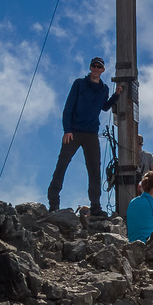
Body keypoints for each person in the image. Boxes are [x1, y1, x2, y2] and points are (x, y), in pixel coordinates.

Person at [47, 56, 123, 216]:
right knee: (62, 165)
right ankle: (53, 203)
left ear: (103, 70)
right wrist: (67, 129)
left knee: (94, 169)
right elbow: (68, 107)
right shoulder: (79, 84)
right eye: (94, 66)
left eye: (99, 67)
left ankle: (95, 207)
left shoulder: (104, 89)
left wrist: (116, 96)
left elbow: (104, 107)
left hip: (91, 133)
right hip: (74, 132)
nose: (96, 69)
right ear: (90, 68)